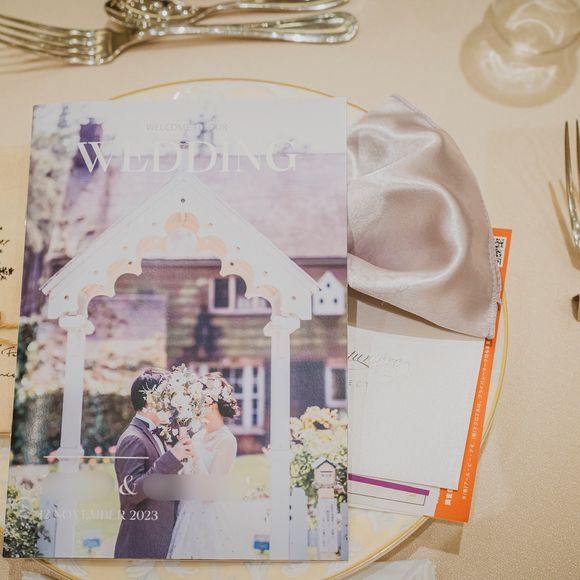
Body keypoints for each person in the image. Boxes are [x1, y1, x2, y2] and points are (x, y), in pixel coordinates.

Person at [114, 368, 195, 559]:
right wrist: (171, 458)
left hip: (160, 543)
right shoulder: (133, 438)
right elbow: (131, 491)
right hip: (141, 548)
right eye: (167, 395)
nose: (172, 402)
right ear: (151, 399)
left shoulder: (155, 434)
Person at [168, 381, 239, 559]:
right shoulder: (198, 436)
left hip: (209, 518)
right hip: (186, 512)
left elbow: (210, 493)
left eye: (196, 401)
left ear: (211, 404)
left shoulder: (226, 440)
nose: (192, 407)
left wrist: (194, 455)